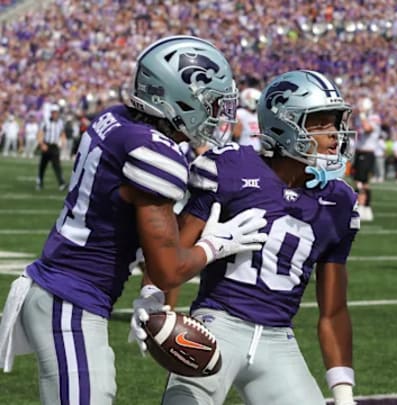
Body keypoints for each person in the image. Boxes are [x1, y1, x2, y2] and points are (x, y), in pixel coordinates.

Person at [0, 36, 269, 405]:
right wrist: (215, 244)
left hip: (60, 290)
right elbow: (171, 266)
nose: (215, 115)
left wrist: (150, 293)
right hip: (69, 300)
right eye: (209, 103)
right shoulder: (153, 151)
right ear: (178, 96)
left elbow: (128, 222)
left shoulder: (115, 118)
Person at [161, 70, 359, 405]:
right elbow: (174, 252)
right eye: (321, 123)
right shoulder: (232, 165)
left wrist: (343, 393)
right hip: (216, 325)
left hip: (279, 339)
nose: (334, 135)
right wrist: (162, 311)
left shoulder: (339, 201)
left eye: (336, 123)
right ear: (285, 123)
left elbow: (334, 310)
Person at [352, 96, 381, 221]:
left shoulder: (373, 117)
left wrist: (363, 115)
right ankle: (361, 207)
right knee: (358, 181)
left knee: (363, 183)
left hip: (367, 153)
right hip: (359, 152)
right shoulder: (360, 117)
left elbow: (368, 129)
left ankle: (365, 207)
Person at [36, 105, 67, 190]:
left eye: (56, 113)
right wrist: (42, 144)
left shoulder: (60, 122)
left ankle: (61, 183)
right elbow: (40, 133)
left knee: (57, 165)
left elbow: (62, 133)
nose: (55, 114)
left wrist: (63, 142)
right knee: (43, 165)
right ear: (51, 113)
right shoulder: (45, 122)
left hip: (55, 146)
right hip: (47, 145)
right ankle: (40, 181)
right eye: (53, 112)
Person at [232, 87, 262, 152]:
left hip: (257, 148)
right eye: (256, 101)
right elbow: (235, 133)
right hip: (244, 146)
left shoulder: (258, 115)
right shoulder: (240, 113)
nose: (258, 104)